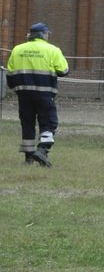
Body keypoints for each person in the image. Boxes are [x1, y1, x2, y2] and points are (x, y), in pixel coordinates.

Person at [6, 21, 69, 166]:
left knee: (27, 123)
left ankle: (28, 158)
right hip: (45, 94)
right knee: (48, 123)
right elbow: (64, 71)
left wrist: (16, 88)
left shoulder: (17, 49)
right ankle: (42, 150)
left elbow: (10, 74)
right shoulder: (52, 50)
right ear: (44, 35)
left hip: (23, 94)